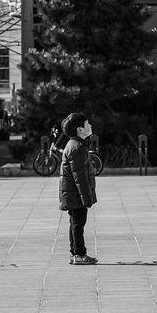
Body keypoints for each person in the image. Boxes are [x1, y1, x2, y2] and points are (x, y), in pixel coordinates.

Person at [58, 112, 98, 265]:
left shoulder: (74, 144)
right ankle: (80, 254)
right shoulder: (77, 148)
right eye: (87, 124)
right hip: (76, 194)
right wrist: (86, 199)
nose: (90, 125)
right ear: (79, 130)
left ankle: (74, 253)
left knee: (75, 223)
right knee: (78, 224)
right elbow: (80, 177)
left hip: (72, 193)